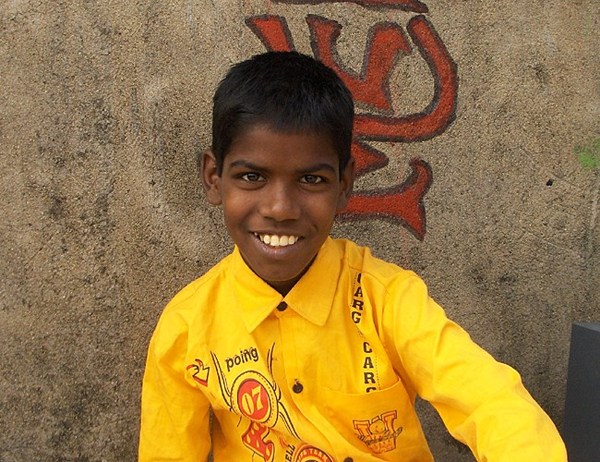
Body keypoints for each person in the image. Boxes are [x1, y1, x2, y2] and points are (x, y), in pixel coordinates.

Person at [139, 51, 567, 461]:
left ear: (344, 185)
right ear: (214, 178)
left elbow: (492, 403)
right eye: (252, 176)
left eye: (311, 179)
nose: (280, 208)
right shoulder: (186, 330)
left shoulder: (389, 301)